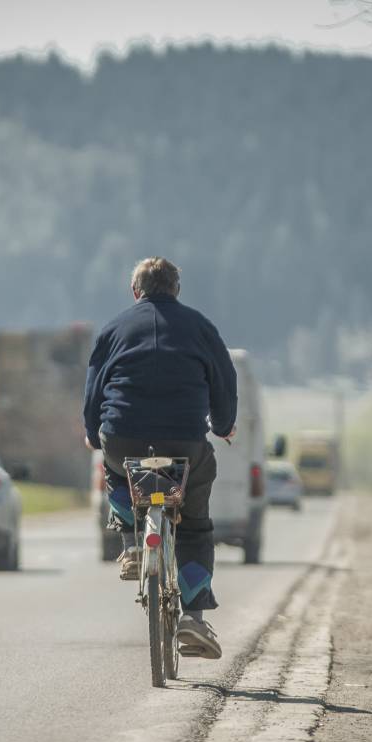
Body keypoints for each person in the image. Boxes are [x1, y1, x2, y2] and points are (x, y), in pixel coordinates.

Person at [82, 257, 237, 659]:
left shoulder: (113, 329)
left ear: (135, 291)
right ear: (176, 290)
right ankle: (194, 618)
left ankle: (132, 544)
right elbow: (224, 383)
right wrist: (224, 425)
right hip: (184, 442)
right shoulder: (201, 327)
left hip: (123, 437)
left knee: (117, 469)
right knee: (195, 525)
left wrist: (93, 435)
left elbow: (94, 391)